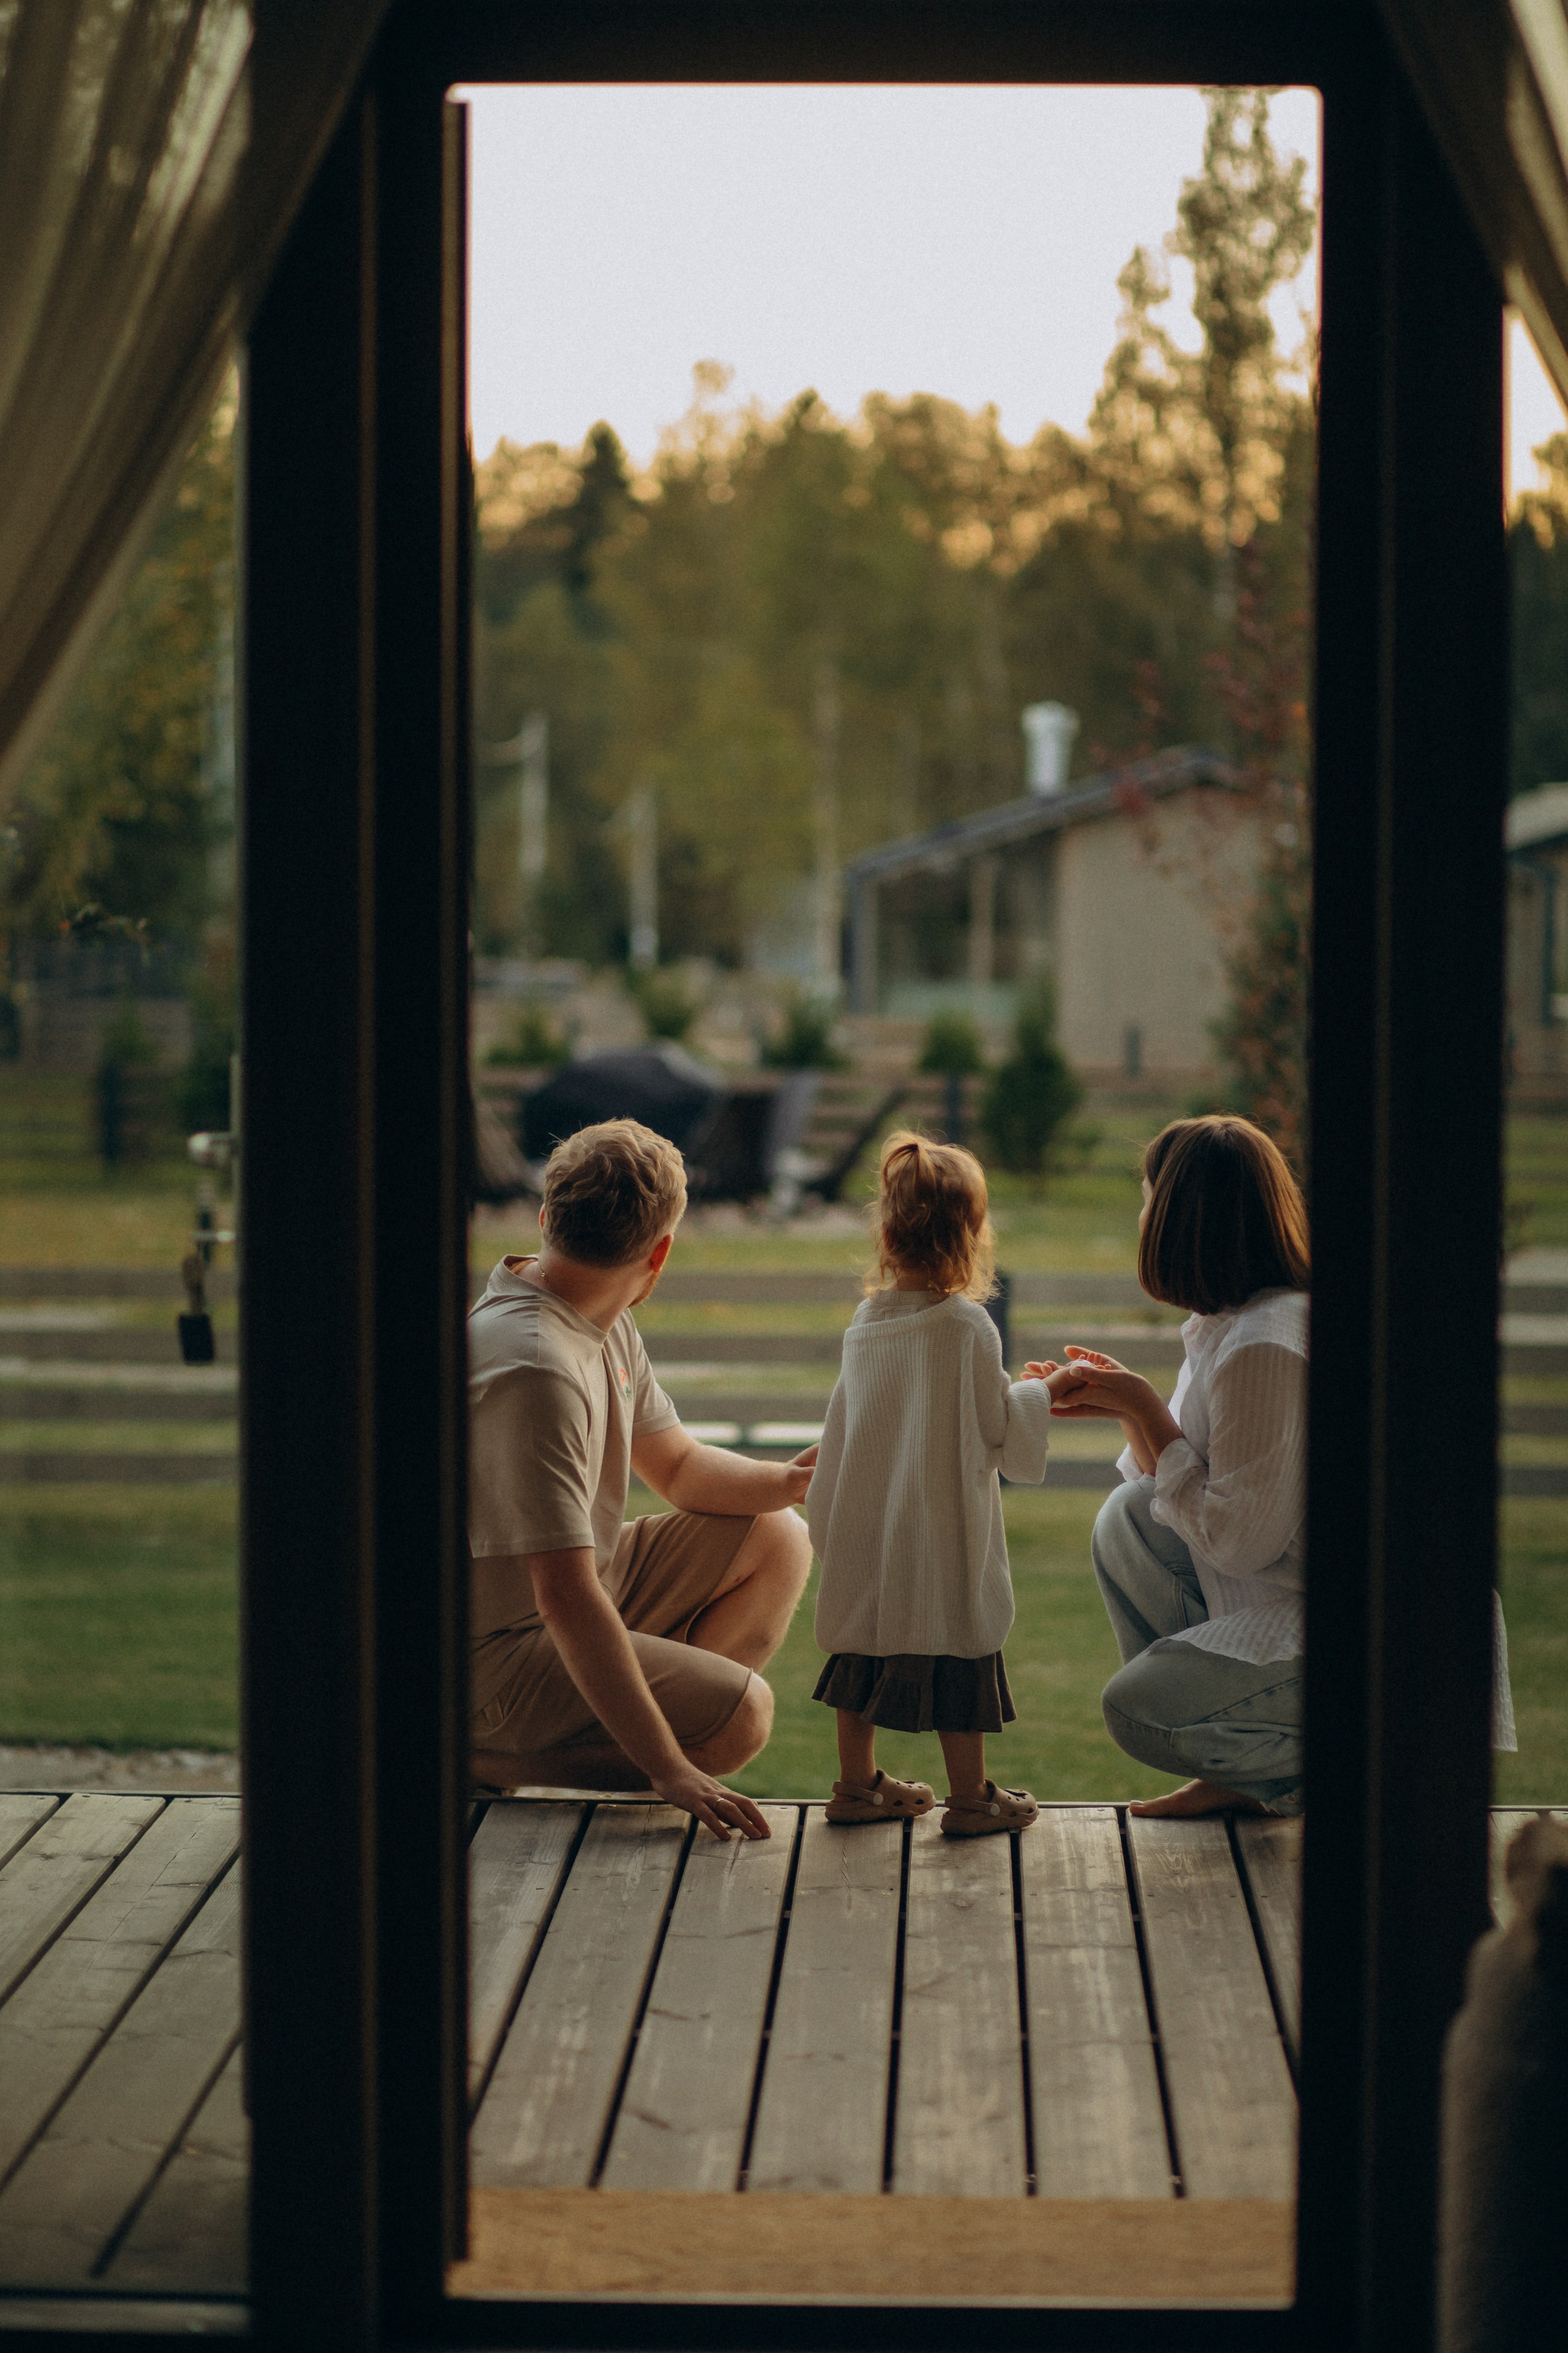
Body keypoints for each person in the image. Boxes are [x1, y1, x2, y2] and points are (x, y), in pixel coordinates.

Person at [467, 1117, 813, 1842]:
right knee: (737, 1722)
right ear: (660, 1253)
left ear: (544, 1218)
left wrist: (789, 1480)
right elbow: (561, 1595)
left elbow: (681, 1470)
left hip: (580, 1587)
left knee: (778, 1536)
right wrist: (668, 1765)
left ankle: (635, 1708)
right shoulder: (534, 1367)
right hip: (489, 1649)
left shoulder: (597, 1313)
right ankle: (473, 1755)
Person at [805, 1132, 1076, 1837]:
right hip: (940, 1532)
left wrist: (829, 1516)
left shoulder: (865, 1326)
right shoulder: (966, 1329)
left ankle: (857, 1786)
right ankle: (971, 1797)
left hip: (872, 1525)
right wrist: (1042, 1392)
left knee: (860, 1652)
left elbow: (847, 1424)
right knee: (961, 1652)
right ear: (972, 1239)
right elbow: (998, 1433)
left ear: (887, 1236)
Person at [1048, 1114, 1311, 1819]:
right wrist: (1128, 1408)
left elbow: (1236, 1539)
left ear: (1179, 1217)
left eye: (1146, 1201)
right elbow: (1163, 1487)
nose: (1141, 1218)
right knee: (1128, 1519)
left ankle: (1348, 1763)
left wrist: (1144, 1407)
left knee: (1138, 1712)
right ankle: (1233, 1773)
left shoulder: (1268, 1343)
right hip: (1277, 1588)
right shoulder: (1228, 1324)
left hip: (1352, 1631)